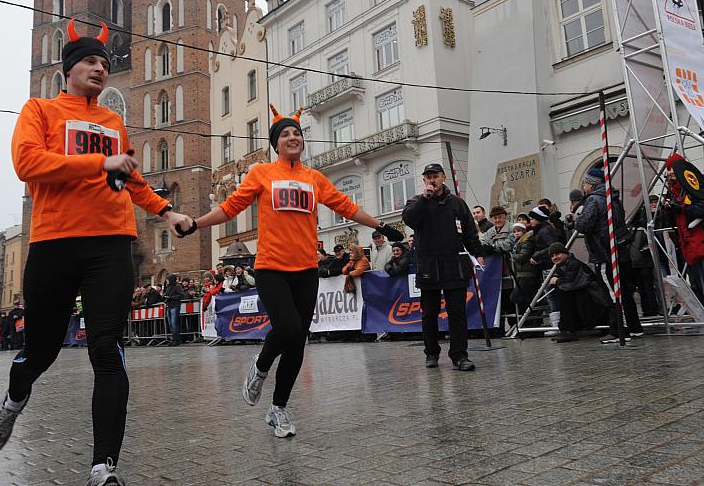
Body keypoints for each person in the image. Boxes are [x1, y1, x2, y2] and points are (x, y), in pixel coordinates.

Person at [0, 18, 193, 486]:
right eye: (90, 62)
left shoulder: (114, 121)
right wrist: (100, 161)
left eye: (104, 62)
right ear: (69, 71)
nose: (100, 68)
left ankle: (103, 467)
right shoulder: (39, 110)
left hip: (110, 244)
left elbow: (131, 178)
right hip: (55, 243)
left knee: (108, 349)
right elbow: (28, 163)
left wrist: (167, 212)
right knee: (40, 350)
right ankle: (13, 402)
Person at [179, 104, 401, 438]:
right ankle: (260, 366)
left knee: (297, 342)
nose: (293, 137)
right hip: (271, 268)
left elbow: (346, 205)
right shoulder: (261, 174)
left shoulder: (313, 178)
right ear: (276, 143)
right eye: (285, 134)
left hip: (306, 270)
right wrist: (196, 224)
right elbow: (229, 208)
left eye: (297, 133)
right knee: (288, 327)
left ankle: (278, 409)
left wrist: (383, 224)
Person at [403, 163, 484, 371]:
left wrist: (478, 253)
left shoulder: (457, 203)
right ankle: (431, 352)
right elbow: (410, 219)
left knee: (457, 313)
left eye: (435, 176)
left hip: (453, 266)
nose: (432, 180)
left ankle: (459, 355)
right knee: (429, 313)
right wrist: (424, 199)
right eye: (428, 177)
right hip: (428, 266)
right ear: (424, 181)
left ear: (443, 177)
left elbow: (469, 232)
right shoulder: (416, 202)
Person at [575, 168, 643, 343]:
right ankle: (634, 327)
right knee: (625, 291)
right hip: (620, 250)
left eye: (585, 183)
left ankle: (619, 329)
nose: (584, 186)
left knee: (612, 292)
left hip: (604, 253)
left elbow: (583, 225)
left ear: (591, 184)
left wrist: (575, 218)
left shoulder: (594, 201)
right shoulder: (613, 198)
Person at [548, 243, 612, 342]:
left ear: (565, 253)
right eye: (552, 256)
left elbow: (570, 284)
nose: (554, 257)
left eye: (557, 254)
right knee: (564, 294)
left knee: (566, 294)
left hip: (595, 302)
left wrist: (557, 281)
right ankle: (567, 330)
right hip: (589, 302)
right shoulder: (565, 265)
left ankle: (568, 330)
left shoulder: (574, 264)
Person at [663, 154, 704, 302]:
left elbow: (701, 209)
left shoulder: (695, 185)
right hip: (688, 245)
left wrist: (681, 208)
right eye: (668, 169)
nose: (669, 172)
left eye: (672, 168)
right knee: (696, 286)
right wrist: (668, 209)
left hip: (699, 243)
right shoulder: (674, 190)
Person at [510, 222, 540, 327]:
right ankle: (531, 321)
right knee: (525, 297)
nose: (516, 233)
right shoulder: (519, 242)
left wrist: (513, 256)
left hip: (527, 274)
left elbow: (523, 257)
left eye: (518, 231)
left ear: (523, 232)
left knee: (516, 297)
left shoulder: (526, 241)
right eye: (514, 232)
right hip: (522, 274)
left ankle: (532, 314)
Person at [163, 274, 186, 346]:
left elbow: (181, 295)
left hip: (175, 306)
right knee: (170, 324)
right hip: (169, 306)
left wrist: (172, 297)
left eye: (168, 279)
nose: (167, 281)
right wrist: (165, 297)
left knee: (174, 323)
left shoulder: (177, 286)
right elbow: (166, 294)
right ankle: (173, 338)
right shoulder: (168, 287)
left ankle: (177, 339)